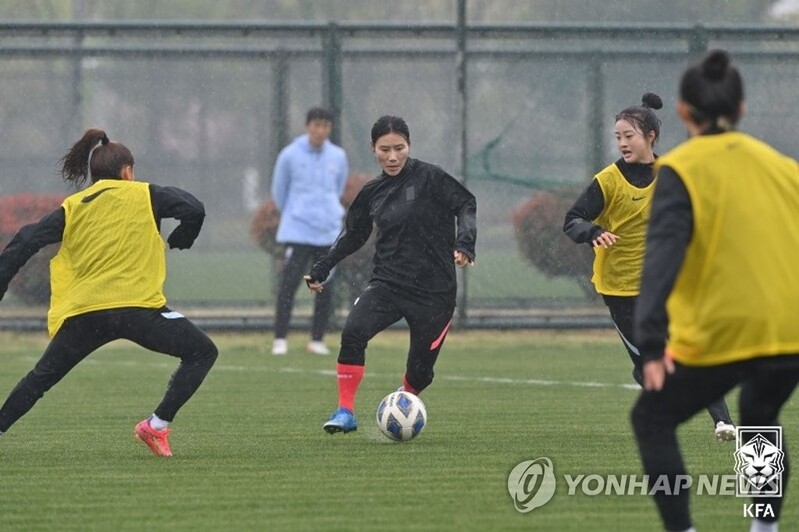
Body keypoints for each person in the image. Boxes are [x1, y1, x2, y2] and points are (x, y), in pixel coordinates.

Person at [631, 49, 799, 532]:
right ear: (741, 110)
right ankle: (764, 528)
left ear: (683, 113)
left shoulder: (682, 169)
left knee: (652, 419)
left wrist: (652, 345)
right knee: (760, 416)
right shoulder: (782, 165)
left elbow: (661, 260)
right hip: (788, 329)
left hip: (727, 330)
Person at [0, 128, 218, 457]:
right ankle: (155, 426)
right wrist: (181, 239)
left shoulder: (72, 206)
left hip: (85, 314)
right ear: (127, 171)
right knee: (202, 353)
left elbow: (26, 241)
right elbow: (194, 208)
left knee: (40, 378)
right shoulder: (147, 194)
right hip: (139, 312)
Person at [564, 92, 736, 441]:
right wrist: (593, 232)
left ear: (650, 137)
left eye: (629, 135)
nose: (622, 143)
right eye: (617, 137)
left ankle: (723, 422)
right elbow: (573, 219)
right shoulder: (608, 181)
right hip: (619, 289)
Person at [304, 115, 477, 434]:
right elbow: (353, 236)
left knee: (421, 372)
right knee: (353, 332)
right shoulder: (373, 193)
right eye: (385, 149)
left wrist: (465, 243)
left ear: (409, 146)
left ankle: (406, 406)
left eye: (400, 148)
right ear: (373, 149)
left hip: (435, 293)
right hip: (388, 284)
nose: (393, 156)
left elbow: (466, 203)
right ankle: (345, 412)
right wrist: (323, 266)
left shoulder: (430, 178)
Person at [270, 107, 349, 356]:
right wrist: (297, 212)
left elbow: (337, 189)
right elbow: (279, 191)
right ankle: (280, 339)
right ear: (307, 126)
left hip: (327, 232)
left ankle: (317, 339)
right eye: (316, 125)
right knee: (289, 284)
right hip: (297, 230)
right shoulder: (289, 155)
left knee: (323, 285)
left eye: (325, 126)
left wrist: (326, 212)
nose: (320, 130)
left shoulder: (338, 156)